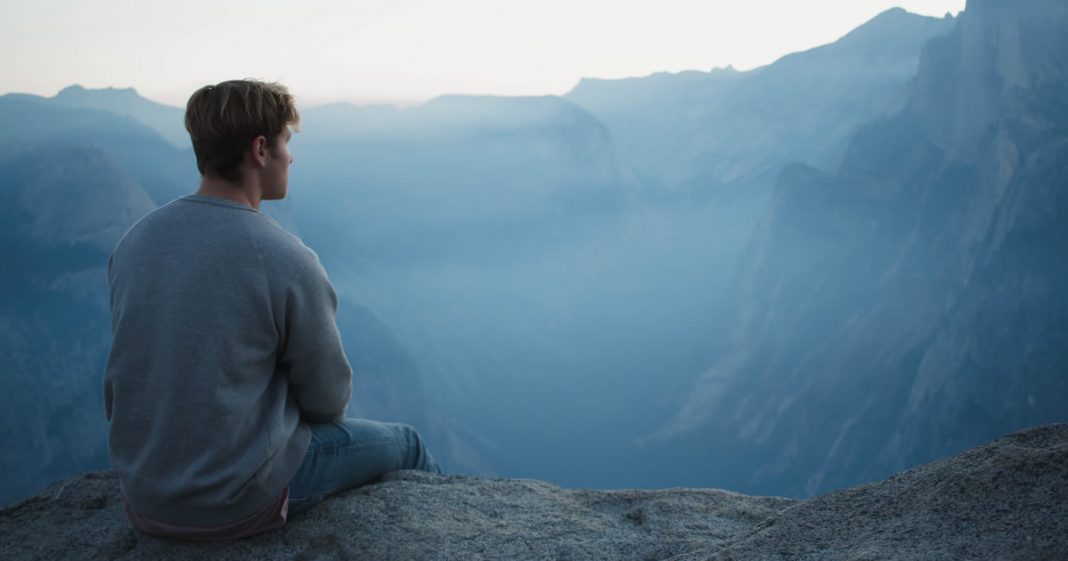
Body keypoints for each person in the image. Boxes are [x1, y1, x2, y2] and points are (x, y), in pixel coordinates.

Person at [103, 79, 440, 541]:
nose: (291, 157)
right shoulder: (284, 258)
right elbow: (328, 400)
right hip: (236, 503)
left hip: (143, 499)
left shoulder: (133, 243)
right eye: (286, 141)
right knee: (408, 443)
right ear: (260, 149)